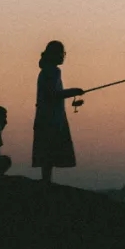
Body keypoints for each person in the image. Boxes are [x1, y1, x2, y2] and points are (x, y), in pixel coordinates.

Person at [32, 40, 84, 183]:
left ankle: (46, 179)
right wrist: (74, 91)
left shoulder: (45, 71)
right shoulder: (53, 71)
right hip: (52, 118)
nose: (63, 56)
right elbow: (53, 94)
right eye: (62, 53)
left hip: (44, 116)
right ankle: (46, 181)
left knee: (46, 150)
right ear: (54, 54)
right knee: (50, 148)